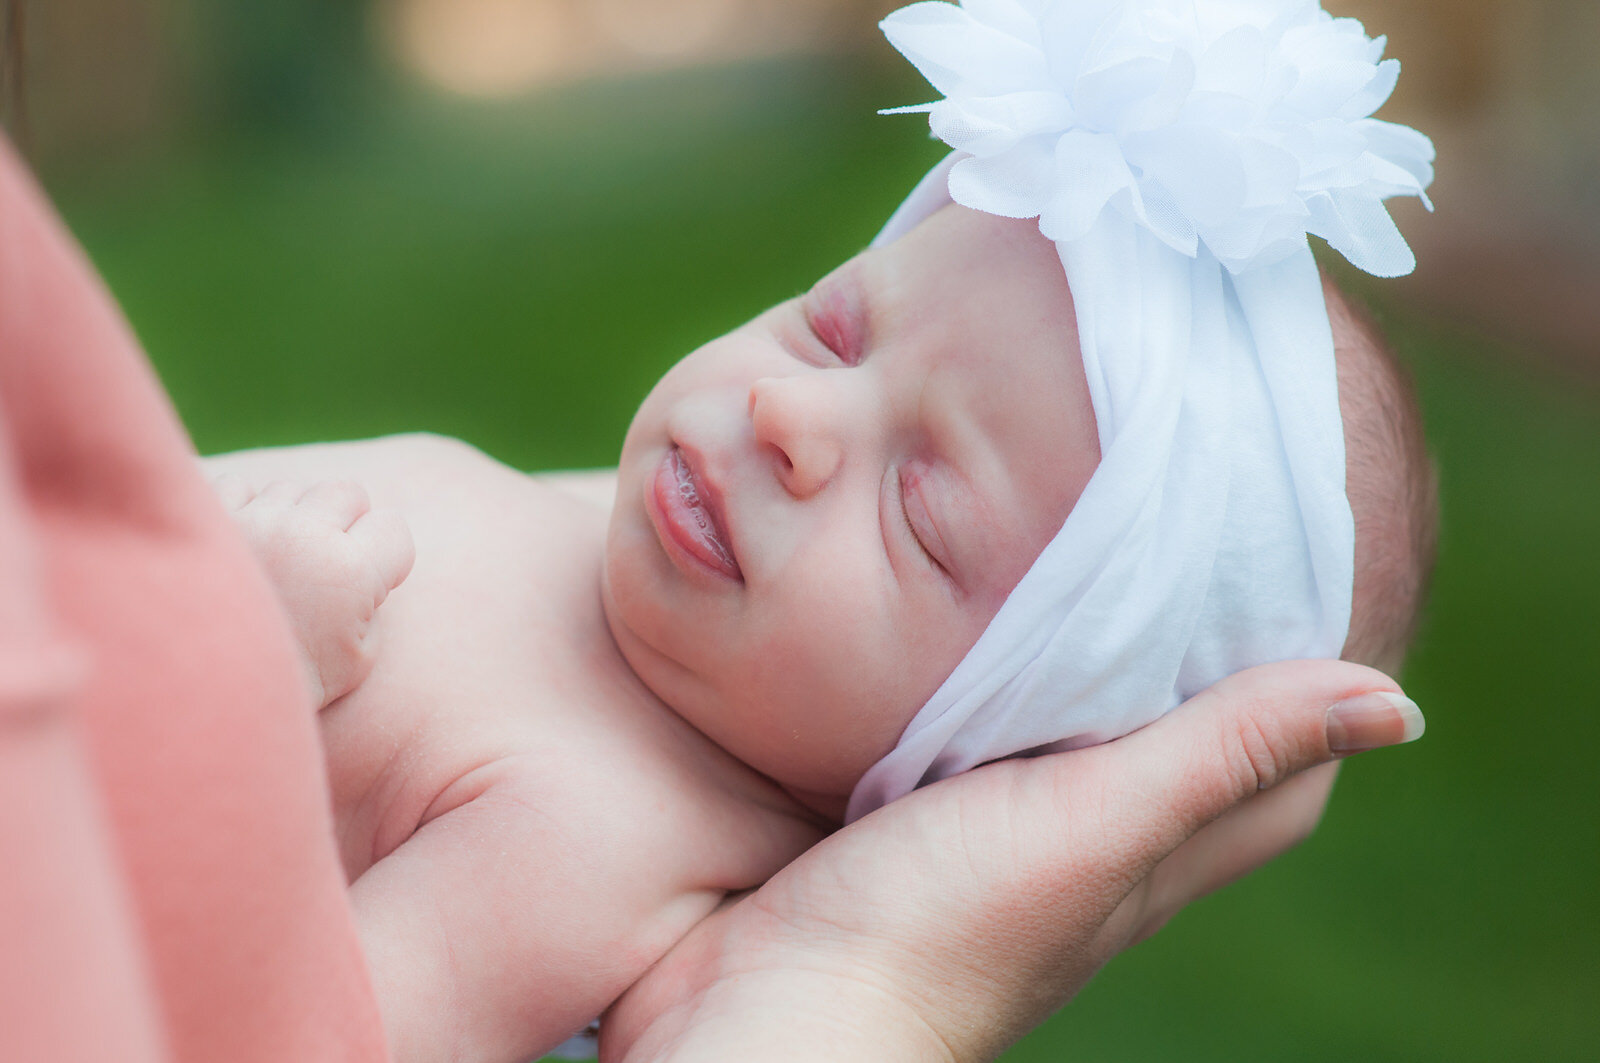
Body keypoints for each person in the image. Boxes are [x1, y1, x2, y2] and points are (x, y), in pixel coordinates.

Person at [0, 6, 1433, 1063]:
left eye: (920, 510)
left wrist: (234, 681)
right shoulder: (610, 569)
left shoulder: (594, 841)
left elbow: (294, 1038)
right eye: (838, 325)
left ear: (988, 742)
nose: (799, 419)